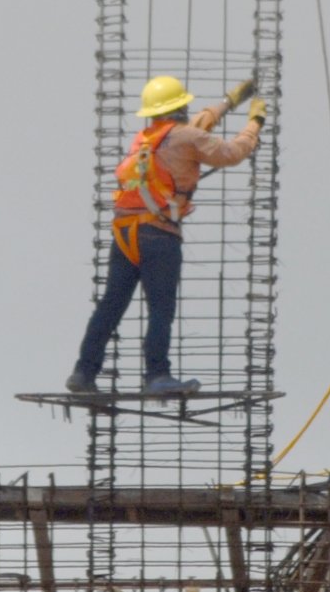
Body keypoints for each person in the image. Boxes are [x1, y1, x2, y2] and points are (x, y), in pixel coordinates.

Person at [66, 75, 265, 396]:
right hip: (158, 237)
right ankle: (157, 375)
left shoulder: (145, 139)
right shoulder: (186, 136)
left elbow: (196, 127)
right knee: (161, 308)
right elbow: (230, 153)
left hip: (125, 234)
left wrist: (230, 102)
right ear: (179, 109)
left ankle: (83, 373)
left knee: (110, 306)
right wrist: (254, 122)